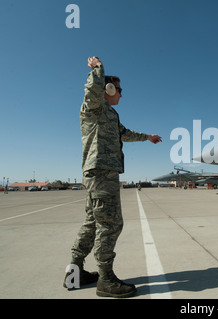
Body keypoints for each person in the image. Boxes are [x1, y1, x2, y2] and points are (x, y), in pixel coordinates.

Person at [64, 56, 162, 298]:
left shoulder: (110, 115)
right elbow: (91, 90)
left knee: (92, 223)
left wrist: (147, 136)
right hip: (101, 172)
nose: (121, 94)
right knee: (110, 224)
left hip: (99, 173)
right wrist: (98, 69)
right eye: (119, 89)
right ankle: (105, 279)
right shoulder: (94, 107)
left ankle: (74, 274)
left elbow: (125, 134)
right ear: (107, 89)